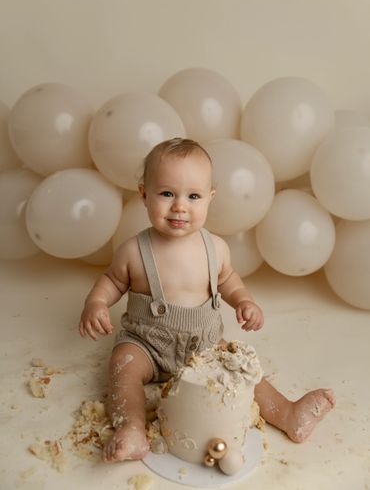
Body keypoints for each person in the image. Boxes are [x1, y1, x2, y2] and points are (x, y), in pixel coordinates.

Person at [79, 137, 335, 463]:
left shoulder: (216, 248)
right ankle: (131, 429)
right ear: (144, 193)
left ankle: (287, 414)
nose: (180, 206)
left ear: (210, 199)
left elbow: (227, 280)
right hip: (145, 342)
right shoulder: (133, 250)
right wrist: (96, 303)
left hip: (204, 346)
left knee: (243, 373)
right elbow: (112, 281)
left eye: (193, 196)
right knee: (122, 367)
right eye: (167, 193)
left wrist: (244, 301)